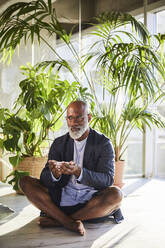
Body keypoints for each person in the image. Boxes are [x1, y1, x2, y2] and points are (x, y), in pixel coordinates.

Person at [19, 100, 123, 236]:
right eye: (70, 118)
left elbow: (107, 179)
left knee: (116, 195)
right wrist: (54, 175)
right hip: (61, 198)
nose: (74, 123)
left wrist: (79, 172)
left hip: (91, 201)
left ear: (89, 118)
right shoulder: (59, 143)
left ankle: (59, 220)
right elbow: (44, 177)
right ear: (67, 119)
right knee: (25, 182)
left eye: (79, 117)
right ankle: (69, 222)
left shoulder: (103, 143)